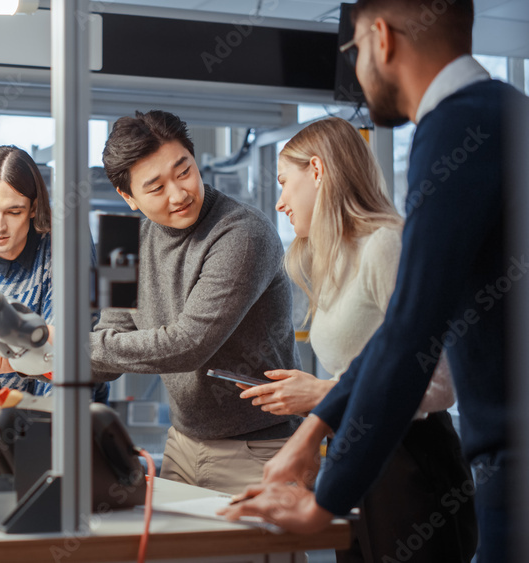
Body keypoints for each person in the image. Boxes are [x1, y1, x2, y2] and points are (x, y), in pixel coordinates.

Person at [220, 2, 526, 561]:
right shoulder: (505, 112)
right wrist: (315, 433)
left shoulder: (458, 126)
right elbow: (398, 336)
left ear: (380, 39)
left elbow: (414, 335)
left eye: (353, 52)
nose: (357, 72)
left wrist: (322, 502)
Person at [236, 117, 476, 563]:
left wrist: (323, 394)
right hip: (356, 453)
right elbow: (366, 368)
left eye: (285, 183)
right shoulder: (333, 260)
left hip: (410, 461)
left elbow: (442, 383)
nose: (281, 202)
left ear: (318, 170)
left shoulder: (386, 244)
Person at [88, 109, 303, 494]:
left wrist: (63, 347)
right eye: (155, 187)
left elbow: (188, 345)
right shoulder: (121, 242)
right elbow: (108, 348)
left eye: (183, 171)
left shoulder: (242, 234)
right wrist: (34, 358)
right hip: (182, 443)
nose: (179, 193)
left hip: (259, 448)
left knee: (258, 555)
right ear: (128, 196)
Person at [0, 145, 107, 457]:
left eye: (13, 212)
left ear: (32, 207)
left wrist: (44, 436)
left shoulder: (64, 256)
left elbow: (66, 359)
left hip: (62, 437)